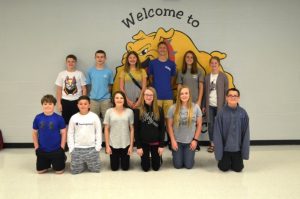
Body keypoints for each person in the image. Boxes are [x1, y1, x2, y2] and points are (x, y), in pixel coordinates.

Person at [213, 88, 250, 172]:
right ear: (226, 98)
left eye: (235, 96)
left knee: (238, 168)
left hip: (237, 149)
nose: (233, 97)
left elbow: (246, 134)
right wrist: (219, 154)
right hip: (225, 149)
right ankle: (223, 159)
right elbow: (217, 135)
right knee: (223, 168)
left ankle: (236, 159)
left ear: (238, 98)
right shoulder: (221, 113)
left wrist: (244, 153)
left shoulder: (243, 113)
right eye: (230, 95)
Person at [167, 86, 202, 169]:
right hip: (177, 141)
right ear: (178, 96)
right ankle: (177, 154)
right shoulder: (172, 108)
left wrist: (195, 140)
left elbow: (199, 124)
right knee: (178, 165)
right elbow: (169, 125)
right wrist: (172, 141)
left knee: (188, 165)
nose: (184, 95)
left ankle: (187, 155)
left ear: (189, 95)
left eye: (186, 93)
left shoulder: (196, 107)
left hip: (190, 142)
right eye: (182, 93)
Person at [32, 94, 66, 174]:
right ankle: (46, 162)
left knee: (59, 172)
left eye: (50, 104)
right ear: (42, 105)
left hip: (56, 150)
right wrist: (36, 148)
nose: (47, 106)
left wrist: (62, 148)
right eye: (45, 104)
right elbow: (34, 133)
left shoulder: (59, 118)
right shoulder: (38, 118)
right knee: (40, 171)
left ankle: (62, 157)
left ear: (54, 105)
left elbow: (64, 133)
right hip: (42, 150)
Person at [68, 96, 102, 174]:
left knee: (96, 170)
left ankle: (89, 162)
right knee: (75, 171)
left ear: (89, 105)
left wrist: (97, 148)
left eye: (85, 104)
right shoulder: (73, 118)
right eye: (81, 104)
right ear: (77, 105)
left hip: (92, 148)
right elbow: (70, 134)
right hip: (77, 149)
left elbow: (98, 132)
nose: (83, 106)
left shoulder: (94, 117)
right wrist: (71, 148)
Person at [134, 87, 165, 172]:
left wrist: (161, 145)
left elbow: (162, 128)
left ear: (154, 96)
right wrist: (138, 146)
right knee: (145, 168)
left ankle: (158, 158)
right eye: (147, 95)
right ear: (143, 96)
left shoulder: (159, 109)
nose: (149, 97)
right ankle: (145, 158)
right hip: (144, 143)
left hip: (156, 142)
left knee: (156, 168)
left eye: (151, 95)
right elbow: (136, 129)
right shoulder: (138, 110)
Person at [203, 56, 229, 153]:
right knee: (210, 125)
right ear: (210, 64)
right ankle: (212, 144)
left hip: (220, 106)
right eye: (212, 63)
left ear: (219, 65)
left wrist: (226, 105)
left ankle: (220, 144)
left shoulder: (223, 77)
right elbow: (205, 93)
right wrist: (203, 106)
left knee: (220, 125)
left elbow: (227, 92)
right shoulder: (207, 77)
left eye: (216, 63)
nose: (214, 65)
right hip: (209, 105)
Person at [104, 91, 134, 171]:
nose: (119, 100)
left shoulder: (129, 112)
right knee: (114, 168)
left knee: (125, 168)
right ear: (114, 100)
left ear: (124, 100)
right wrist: (107, 146)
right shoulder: (109, 112)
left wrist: (131, 146)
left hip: (125, 143)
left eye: (121, 98)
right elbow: (106, 129)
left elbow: (132, 129)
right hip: (113, 144)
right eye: (117, 98)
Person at [55, 54, 87, 125]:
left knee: (77, 122)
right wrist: (59, 103)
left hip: (77, 101)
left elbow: (84, 89)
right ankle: (66, 136)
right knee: (65, 123)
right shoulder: (61, 74)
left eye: (73, 61)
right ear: (66, 63)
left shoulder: (80, 74)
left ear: (75, 63)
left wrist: (83, 102)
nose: (70, 63)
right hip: (65, 101)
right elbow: (59, 90)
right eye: (68, 61)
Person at [148, 41, 176, 118]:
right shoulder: (152, 63)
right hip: (156, 96)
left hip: (168, 96)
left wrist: (168, 87)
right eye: (160, 47)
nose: (162, 49)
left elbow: (173, 78)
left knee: (169, 119)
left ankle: (167, 130)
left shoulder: (171, 64)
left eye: (164, 48)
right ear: (158, 49)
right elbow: (150, 77)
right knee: (157, 118)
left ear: (167, 50)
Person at [86, 50, 114, 122]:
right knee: (93, 121)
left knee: (107, 121)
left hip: (106, 100)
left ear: (105, 58)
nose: (100, 59)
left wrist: (107, 96)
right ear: (95, 58)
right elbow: (88, 86)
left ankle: (106, 133)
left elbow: (110, 85)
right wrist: (90, 96)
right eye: (98, 57)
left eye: (102, 57)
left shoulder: (109, 72)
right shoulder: (90, 71)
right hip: (93, 100)